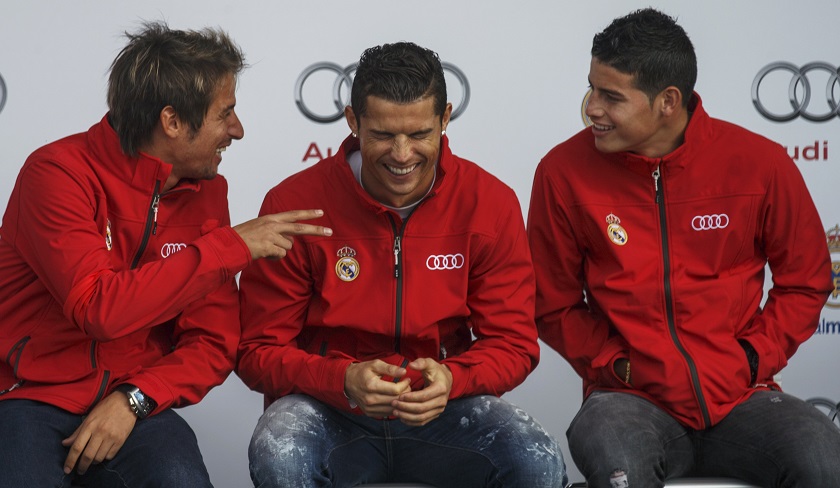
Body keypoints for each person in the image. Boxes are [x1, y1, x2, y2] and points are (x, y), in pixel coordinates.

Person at [0, 22, 330, 487]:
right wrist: (229, 247)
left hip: (134, 403)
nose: (237, 130)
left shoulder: (208, 192)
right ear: (172, 121)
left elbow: (212, 341)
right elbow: (99, 308)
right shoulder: (56, 173)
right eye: (225, 113)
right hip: (27, 397)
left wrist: (136, 398)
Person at [527, 8, 840, 488]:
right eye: (591, 88)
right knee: (618, 466)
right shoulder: (561, 172)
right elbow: (552, 303)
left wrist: (752, 358)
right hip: (627, 398)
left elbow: (806, 279)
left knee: (822, 458)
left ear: (667, 101)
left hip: (740, 394)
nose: (591, 107)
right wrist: (617, 365)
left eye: (611, 96)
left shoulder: (760, 163)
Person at [237, 41, 566, 488]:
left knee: (535, 460)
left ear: (445, 118)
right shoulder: (294, 205)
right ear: (353, 122)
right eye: (384, 135)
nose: (402, 154)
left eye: (419, 134)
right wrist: (344, 380)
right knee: (280, 448)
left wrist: (452, 378)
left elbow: (514, 343)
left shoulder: (489, 204)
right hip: (327, 408)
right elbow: (257, 350)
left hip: (446, 409)